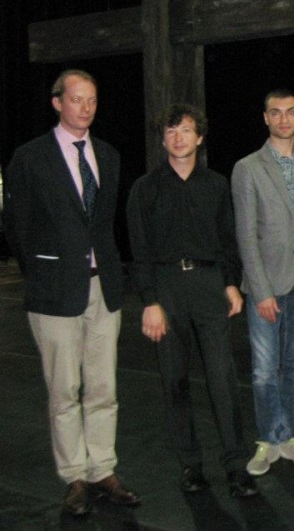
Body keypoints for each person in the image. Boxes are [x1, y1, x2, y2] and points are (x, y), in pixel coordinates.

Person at [2, 69, 140, 515]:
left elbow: (103, 224)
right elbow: (17, 225)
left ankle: (103, 469)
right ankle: (74, 477)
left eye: (92, 100)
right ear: (57, 102)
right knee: (64, 391)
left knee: (103, 388)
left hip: (104, 289)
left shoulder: (108, 155)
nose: (86, 107)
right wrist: (43, 271)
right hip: (54, 291)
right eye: (77, 99)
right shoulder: (30, 157)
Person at [126, 104, 257, 497]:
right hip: (166, 288)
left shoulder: (216, 185)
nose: (178, 137)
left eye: (185, 130)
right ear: (163, 139)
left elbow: (228, 239)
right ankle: (190, 465)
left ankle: (236, 466)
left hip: (208, 283)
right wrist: (150, 300)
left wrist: (231, 283)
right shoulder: (144, 188)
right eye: (171, 131)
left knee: (223, 379)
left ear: (199, 137)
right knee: (175, 381)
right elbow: (139, 249)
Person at [232, 89, 294, 475]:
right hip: (268, 282)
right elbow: (246, 235)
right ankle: (267, 439)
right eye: (276, 112)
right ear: (265, 118)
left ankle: (290, 436)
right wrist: (260, 290)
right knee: (263, 367)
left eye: (291, 112)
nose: (284, 119)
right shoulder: (247, 167)